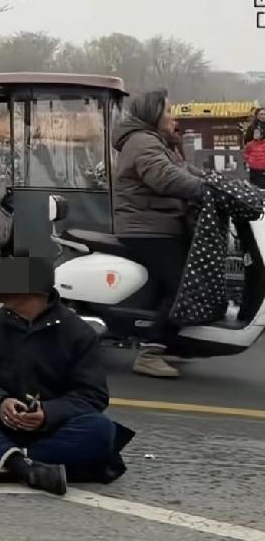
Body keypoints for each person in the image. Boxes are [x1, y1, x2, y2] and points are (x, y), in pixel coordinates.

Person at [0, 269, 131, 496]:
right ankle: (25, 466)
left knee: (100, 429)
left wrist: (47, 413)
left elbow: (92, 394)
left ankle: (5, 462)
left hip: (51, 430)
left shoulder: (77, 332)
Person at [113, 91, 205, 379]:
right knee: (183, 285)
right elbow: (164, 176)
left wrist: (215, 182)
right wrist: (207, 190)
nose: (173, 117)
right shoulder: (143, 141)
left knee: (173, 284)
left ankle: (170, 342)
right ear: (153, 114)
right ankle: (150, 352)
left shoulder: (155, 141)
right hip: (147, 227)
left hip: (160, 224)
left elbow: (184, 170)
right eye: (169, 111)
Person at [243, 108, 265, 188]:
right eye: (261, 114)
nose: (263, 116)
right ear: (257, 116)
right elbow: (246, 141)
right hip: (254, 161)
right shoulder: (252, 127)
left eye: (264, 114)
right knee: (255, 185)